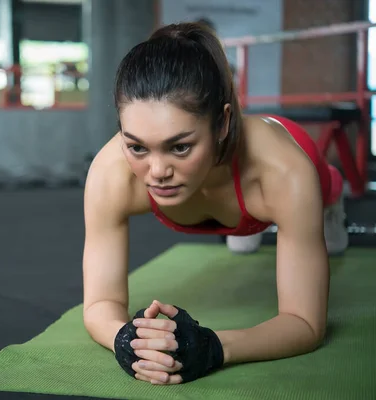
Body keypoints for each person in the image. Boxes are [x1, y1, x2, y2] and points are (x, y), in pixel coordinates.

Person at [81, 22, 348, 386]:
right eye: (138, 147)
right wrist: (127, 340)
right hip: (230, 198)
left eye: (180, 147)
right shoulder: (111, 171)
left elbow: (305, 323)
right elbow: (99, 304)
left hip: (269, 180)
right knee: (241, 239)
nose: (157, 172)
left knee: (326, 188)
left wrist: (214, 347)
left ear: (222, 123)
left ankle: (333, 202)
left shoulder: (283, 172)